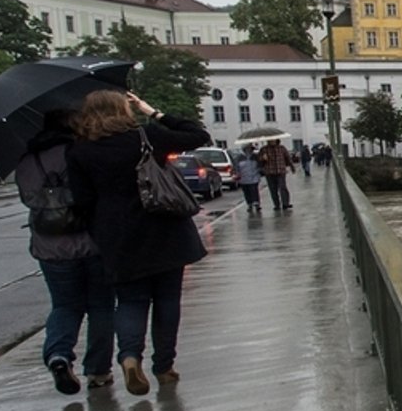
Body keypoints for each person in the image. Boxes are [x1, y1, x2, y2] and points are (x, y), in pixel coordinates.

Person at [66, 91, 211, 395]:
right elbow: (198, 134)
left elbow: (82, 201)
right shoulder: (147, 136)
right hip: (164, 228)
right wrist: (153, 111)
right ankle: (165, 366)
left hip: (118, 236)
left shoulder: (80, 150)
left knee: (131, 301)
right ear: (123, 110)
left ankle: (130, 357)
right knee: (168, 300)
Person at [14, 109, 115, 393]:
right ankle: (98, 371)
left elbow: (28, 199)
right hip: (91, 242)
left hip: (50, 248)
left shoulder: (27, 160)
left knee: (64, 305)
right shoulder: (81, 152)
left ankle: (58, 355)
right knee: (101, 307)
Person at [260, 138, 296, 211]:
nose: (272, 141)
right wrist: (263, 158)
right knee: (273, 190)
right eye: (270, 140)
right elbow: (259, 161)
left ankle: (285, 203)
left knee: (282, 187)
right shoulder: (264, 149)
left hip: (281, 171)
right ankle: (276, 205)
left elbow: (288, 158)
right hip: (270, 172)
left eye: (273, 140)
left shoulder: (281, 148)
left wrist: (292, 167)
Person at [236, 144, 265, 213]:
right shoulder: (239, 157)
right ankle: (249, 204)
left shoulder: (255, 157)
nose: (249, 150)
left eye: (250, 149)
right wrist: (237, 173)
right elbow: (236, 167)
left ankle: (256, 203)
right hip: (243, 178)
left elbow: (260, 165)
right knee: (247, 191)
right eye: (247, 149)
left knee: (254, 189)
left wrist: (261, 168)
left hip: (254, 176)